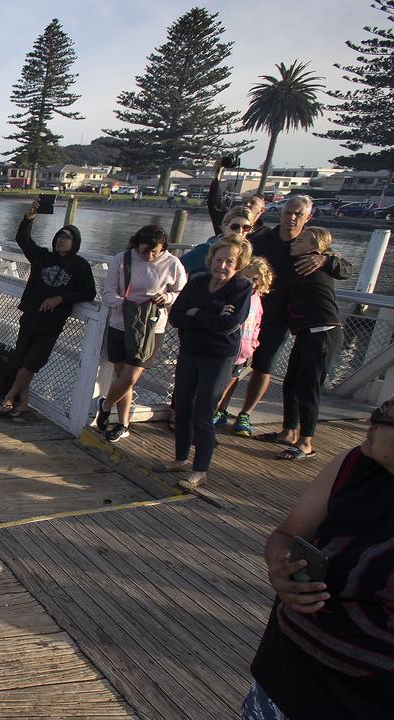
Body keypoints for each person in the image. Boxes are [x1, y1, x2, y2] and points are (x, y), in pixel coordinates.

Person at [242, 399, 394, 718]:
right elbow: (286, 535)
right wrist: (280, 568)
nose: (372, 421)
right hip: (279, 683)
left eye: (387, 417)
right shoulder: (352, 465)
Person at [230, 195, 351, 438]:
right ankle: (223, 410)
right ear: (280, 213)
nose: (291, 218)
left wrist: (325, 259)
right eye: (287, 212)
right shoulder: (263, 239)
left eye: (298, 214)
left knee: (266, 367)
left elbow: (346, 269)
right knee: (237, 365)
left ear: (308, 217)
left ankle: (247, 415)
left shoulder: (313, 249)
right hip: (250, 314)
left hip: (284, 321)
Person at [155, 237, 253, 489]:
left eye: (229, 261)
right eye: (218, 260)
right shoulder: (198, 281)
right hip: (190, 351)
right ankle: (180, 458)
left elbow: (228, 325)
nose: (222, 266)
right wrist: (208, 315)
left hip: (218, 357)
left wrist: (196, 313)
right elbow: (176, 316)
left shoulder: (242, 287)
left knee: (204, 412)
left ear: (239, 263)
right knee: (183, 406)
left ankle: (201, 469)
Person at [0, 200, 96, 417]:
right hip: (31, 316)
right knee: (22, 361)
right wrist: (30, 216)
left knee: (31, 364)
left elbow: (89, 292)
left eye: (67, 238)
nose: (61, 241)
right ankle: (23, 405)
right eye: (59, 236)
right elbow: (22, 239)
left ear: (75, 242)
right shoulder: (43, 256)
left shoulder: (80, 265)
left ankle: (9, 397)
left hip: (52, 323)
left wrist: (60, 298)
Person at [95, 225, 187, 443]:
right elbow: (108, 291)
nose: (150, 256)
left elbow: (181, 291)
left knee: (131, 376)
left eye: (156, 251)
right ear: (137, 244)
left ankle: (106, 405)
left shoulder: (172, 263)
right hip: (121, 323)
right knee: (121, 376)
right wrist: (127, 305)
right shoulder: (122, 259)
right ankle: (123, 424)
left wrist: (168, 298)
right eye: (145, 250)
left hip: (151, 328)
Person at [273, 227, 344, 461]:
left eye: (301, 240)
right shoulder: (298, 265)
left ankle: (306, 442)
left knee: (308, 388)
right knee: (291, 383)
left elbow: (344, 268)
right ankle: (288, 431)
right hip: (305, 333)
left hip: (323, 332)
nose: (295, 242)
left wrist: (326, 259)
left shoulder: (318, 264)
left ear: (316, 247)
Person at [214, 257, 274, 429]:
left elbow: (257, 324)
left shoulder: (257, 300)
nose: (251, 282)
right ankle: (211, 412)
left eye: (255, 279)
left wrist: (253, 344)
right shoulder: (233, 296)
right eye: (247, 277)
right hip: (227, 349)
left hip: (243, 352)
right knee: (218, 385)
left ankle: (218, 412)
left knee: (232, 381)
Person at [181, 207, 257, 277]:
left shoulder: (245, 252)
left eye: (246, 228)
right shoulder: (206, 249)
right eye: (235, 227)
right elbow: (175, 267)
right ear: (224, 226)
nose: (240, 231)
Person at [206, 158, 267, 237]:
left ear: (262, 210)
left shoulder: (265, 234)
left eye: (253, 203)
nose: (247, 204)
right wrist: (218, 173)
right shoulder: (227, 219)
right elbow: (214, 204)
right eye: (234, 227)